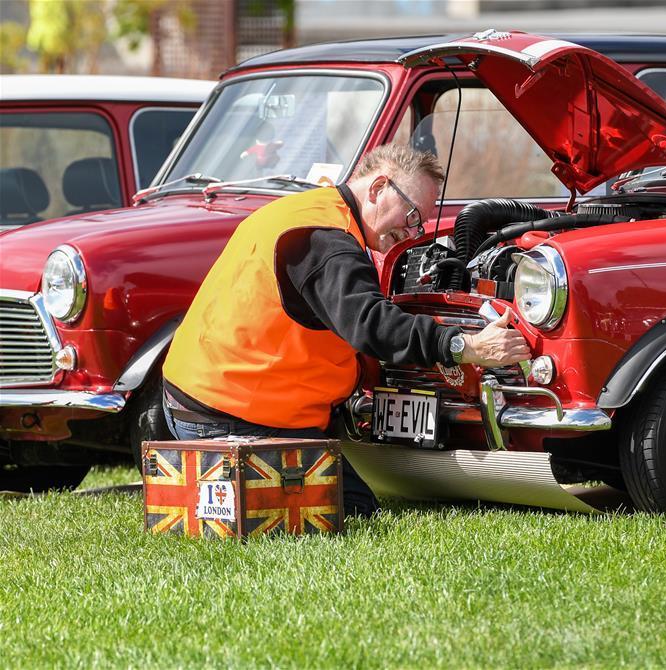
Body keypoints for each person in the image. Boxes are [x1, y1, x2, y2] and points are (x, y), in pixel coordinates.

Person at [161, 144, 531, 517]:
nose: (411, 232)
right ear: (377, 188)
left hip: (200, 399)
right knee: (354, 508)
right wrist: (462, 345)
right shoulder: (328, 241)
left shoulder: (307, 211)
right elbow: (372, 324)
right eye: (412, 214)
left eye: (420, 224)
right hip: (232, 416)